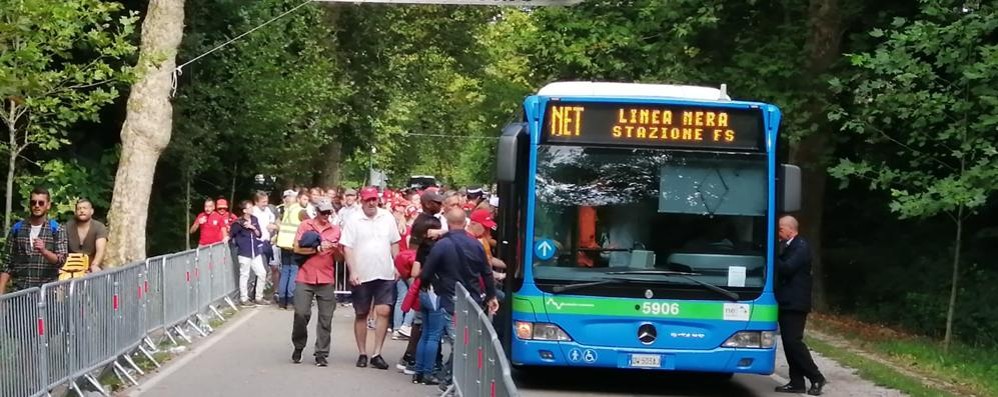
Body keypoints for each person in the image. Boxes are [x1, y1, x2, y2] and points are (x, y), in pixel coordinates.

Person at [413, 208, 498, 385]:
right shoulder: (476, 245)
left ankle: (445, 377)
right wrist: (491, 295)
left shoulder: (442, 245)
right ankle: (451, 378)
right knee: (462, 342)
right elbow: (486, 272)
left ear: (448, 222)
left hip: (448, 299)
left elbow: (427, 271)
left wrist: (426, 285)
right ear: (466, 222)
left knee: (453, 340)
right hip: (472, 300)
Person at [340, 186, 402, 370]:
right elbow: (347, 247)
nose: (372, 203)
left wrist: (396, 264)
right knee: (361, 313)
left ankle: (377, 353)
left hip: (384, 272)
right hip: (362, 273)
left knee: (383, 311)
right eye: (368, 200)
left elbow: (394, 242)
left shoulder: (387, 217)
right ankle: (362, 352)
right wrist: (353, 271)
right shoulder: (354, 219)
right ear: (362, 200)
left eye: (374, 199)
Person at [775, 215, 826, 396]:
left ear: (791, 229)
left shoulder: (801, 247)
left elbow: (788, 268)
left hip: (796, 302)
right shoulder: (787, 246)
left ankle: (816, 377)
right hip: (785, 300)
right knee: (788, 344)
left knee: (793, 342)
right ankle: (796, 382)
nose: (778, 233)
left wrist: (771, 256)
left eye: (780, 229)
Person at [291, 201, 341, 367]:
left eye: (329, 213)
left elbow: (340, 258)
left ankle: (321, 353)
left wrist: (336, 249)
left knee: (326, 318)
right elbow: (297, 249)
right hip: (305, 276)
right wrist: (318, 248)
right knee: (300, 313)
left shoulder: (336, 230)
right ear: (317, 212)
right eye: (323, 213)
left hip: (326, 278)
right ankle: (298, 346)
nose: (326, 216)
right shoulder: (306, 225)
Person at [0, 187, 69, 294]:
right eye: (33, 202)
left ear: (48, 205)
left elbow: (61, 261)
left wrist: (44, 251)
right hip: (20, 291)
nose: (37, 205)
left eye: (41, 203)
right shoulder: (17, 228)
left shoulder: (56, 229)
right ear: (30, 205)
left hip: (46, 292)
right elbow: (7, 263)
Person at [231, 201, 267, 306]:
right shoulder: (237, 223)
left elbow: (259, 234)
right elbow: (232, 234)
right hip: (244, 252)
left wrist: (253, 227)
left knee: (262, 273)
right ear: (244, 210)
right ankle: (244, 299)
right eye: (250, 207)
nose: (252, 209)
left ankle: (259, 297)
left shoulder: (255, 219)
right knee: (244, 275)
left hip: (255, 252)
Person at [275, 189, 304, 309]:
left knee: (285, 271)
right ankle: (291, 300)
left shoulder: (286, 209)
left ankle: (282, 300)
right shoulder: (299, 210)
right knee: (294, 271)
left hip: (283, 243)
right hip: (293, 244)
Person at [65, 199, 108, 273]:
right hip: (70, 266)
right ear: (75, 212)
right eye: (79, 209)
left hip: (90, 266)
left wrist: (94, 265)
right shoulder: (68, 226)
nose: (81, 211)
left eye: (85, 208)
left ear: (91, 211)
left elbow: (100, 250)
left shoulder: (99, 227)